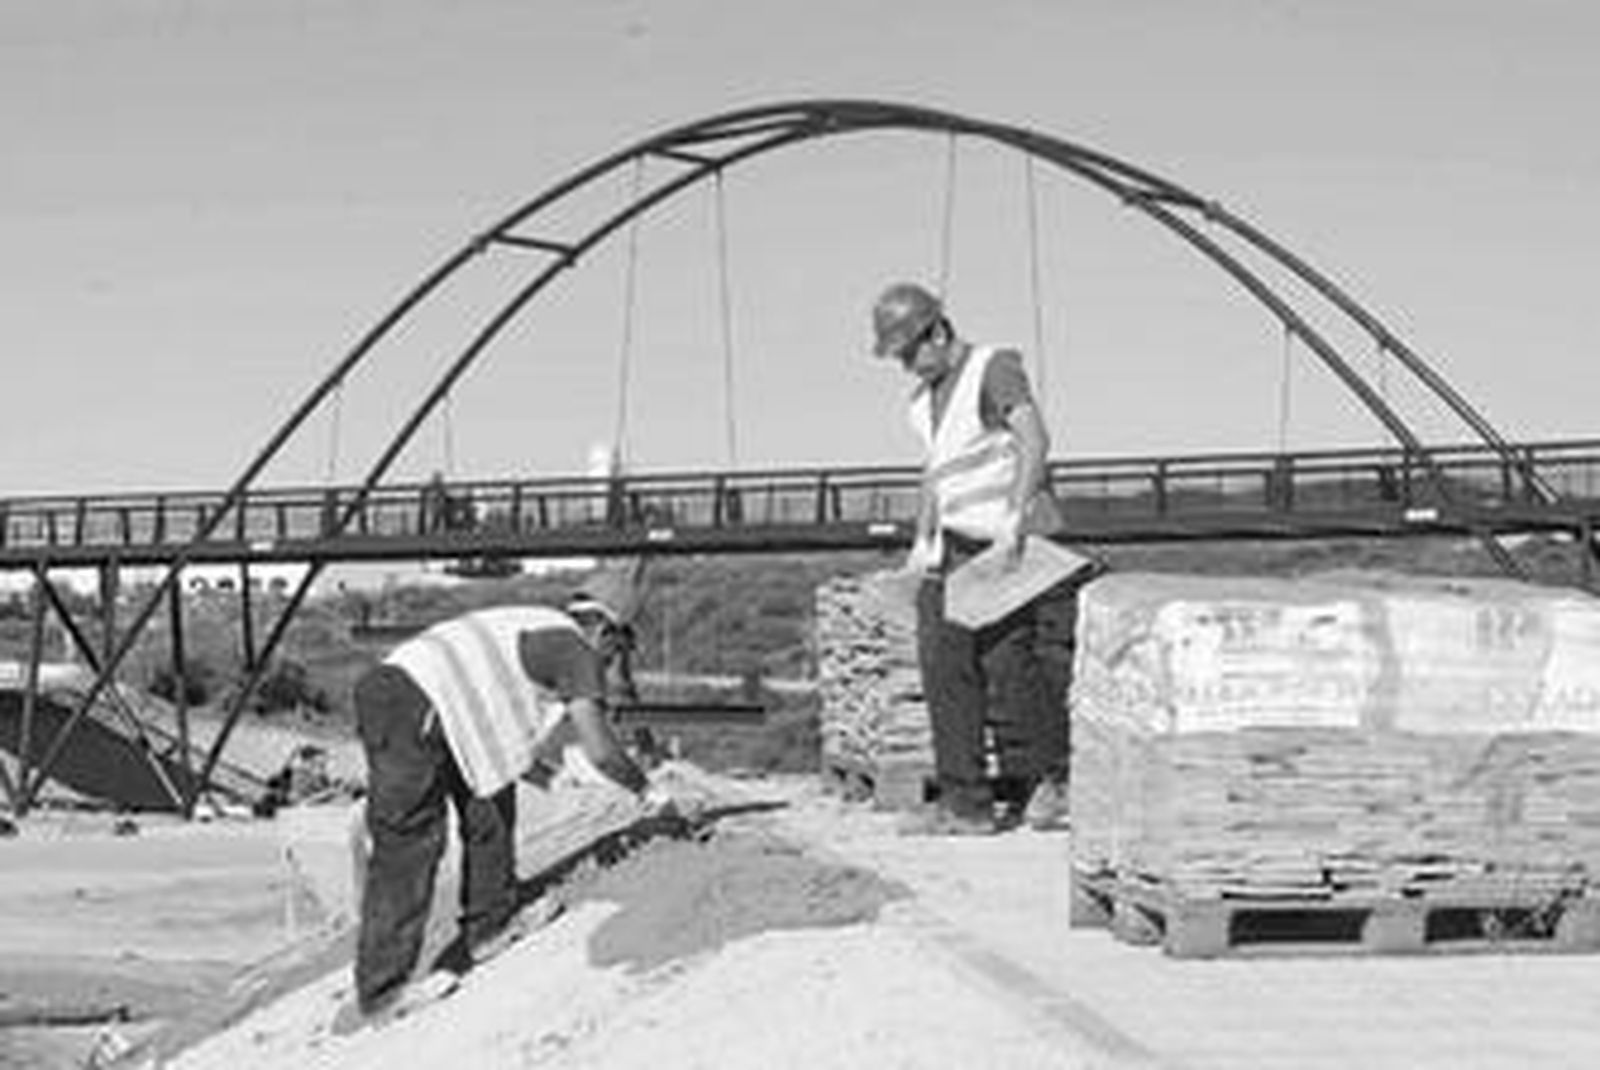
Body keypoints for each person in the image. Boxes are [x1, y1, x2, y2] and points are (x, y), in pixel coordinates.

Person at [349, 599, 673, 1021]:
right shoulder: (573, 647)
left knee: (490, 799)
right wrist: (649, 793)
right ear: (603, 632)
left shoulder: (531, 625)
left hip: (407, 694)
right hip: (410, 703)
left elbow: (499, 738)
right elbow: (601, 749)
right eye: (613, 655)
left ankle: (491, 926)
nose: (608, 669)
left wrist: (551, 779)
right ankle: (383, 993)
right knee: (409, 841)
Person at [870, 281, 1096, 835]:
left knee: (1008, 665)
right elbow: (936, 473)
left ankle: (1055, 779)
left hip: (1005, 541)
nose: (906, 365)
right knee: (943, 664)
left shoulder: (992, 368)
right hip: (954, 543)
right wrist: (922, 543)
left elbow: (1034, 438)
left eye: (909, 352)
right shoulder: (923, 402)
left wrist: (1017, 518)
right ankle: (963, 803)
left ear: (938, 331)